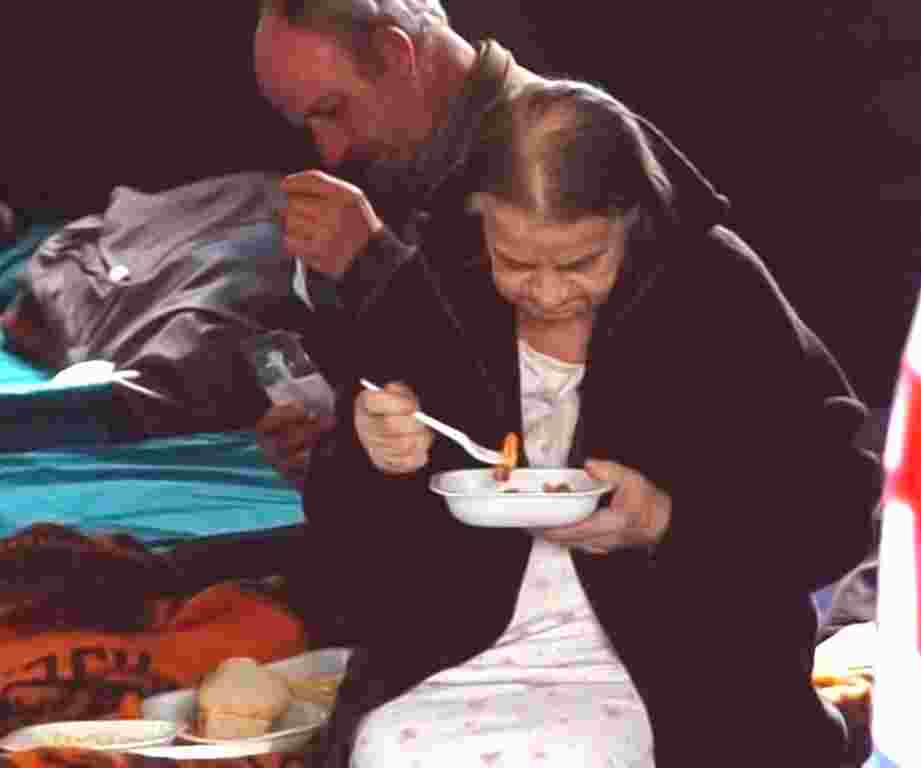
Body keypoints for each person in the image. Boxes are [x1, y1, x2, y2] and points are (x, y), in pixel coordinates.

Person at [303, 79, 882, 767]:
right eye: (514, 261)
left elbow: (841, 506)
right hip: (452, 662)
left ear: (634, 220)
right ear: (477, 216)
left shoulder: (715, 289)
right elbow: (340, 563)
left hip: (686, 675)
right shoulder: (429, 289)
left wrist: (666, 522)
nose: (546, 293)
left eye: (581, 263)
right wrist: (374, 459)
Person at [250, 0, 542, 487]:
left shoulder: (563, 157)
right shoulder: (423, 165)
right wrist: (349, 440)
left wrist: (373, 266)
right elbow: (453, 405)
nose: (330, 150)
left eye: (333, 111)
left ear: (395, 54)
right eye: (311, 125)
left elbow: (548, 425)